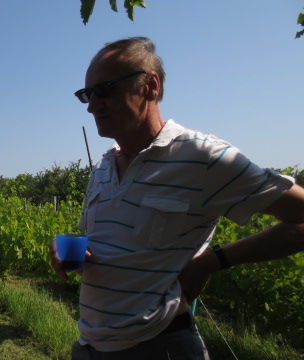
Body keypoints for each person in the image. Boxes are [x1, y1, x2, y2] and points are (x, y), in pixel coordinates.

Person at [49, 37, 304, 359]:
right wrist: (67, 247)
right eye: (87, 94)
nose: (92, 105)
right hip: (89, 346)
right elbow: (101, 241)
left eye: (105, 90)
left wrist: (211, 262)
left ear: (150, 86)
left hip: (159, 346)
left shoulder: (204, 156)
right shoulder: (103, 165)